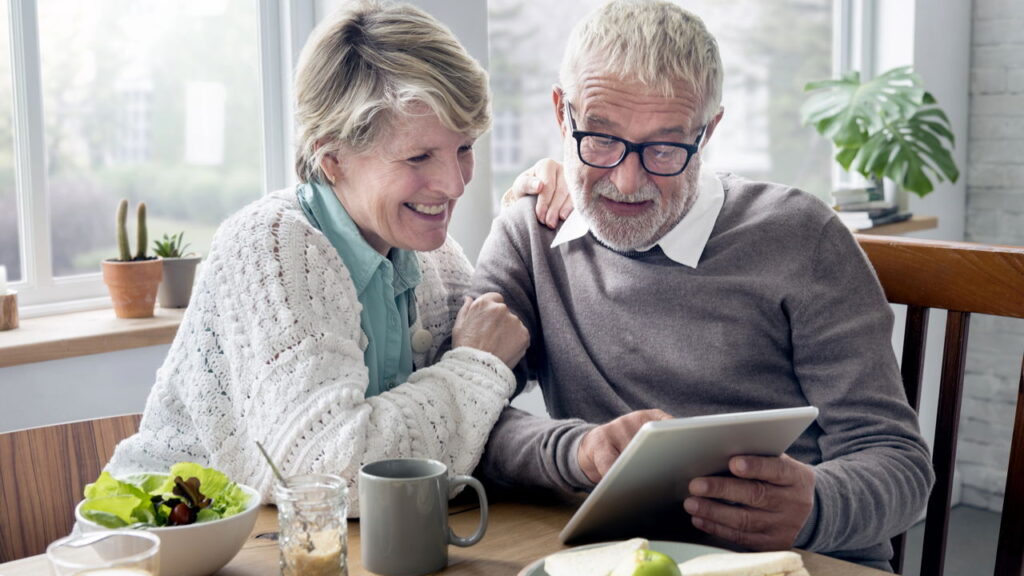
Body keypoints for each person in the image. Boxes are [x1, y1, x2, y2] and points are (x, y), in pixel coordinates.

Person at [472, 0, 933, 570]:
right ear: (561, 111)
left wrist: (815, 506)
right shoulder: (530, 235)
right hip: (626, 560)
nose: (626, 178)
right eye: (601, 137)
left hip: (797, 562)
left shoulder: (802, 237)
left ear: (709, 129)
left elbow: (900, 464)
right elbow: (465, 419)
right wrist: (575, 451)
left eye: (665, 147)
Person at [106, 1, 533, 516]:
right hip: (162, 542)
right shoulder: (270, 246)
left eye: (464, 147)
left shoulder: (432, 257)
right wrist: (474, 365)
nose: (454, 182)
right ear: (332, 159)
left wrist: (546, 207)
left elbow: (501, 366)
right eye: (419, 156)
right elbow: (327, 476)